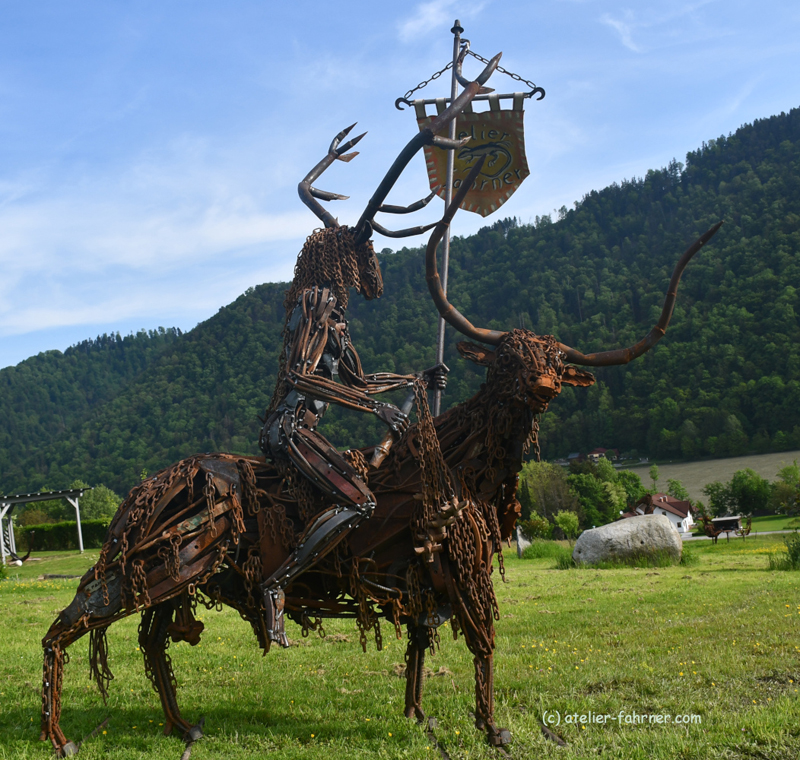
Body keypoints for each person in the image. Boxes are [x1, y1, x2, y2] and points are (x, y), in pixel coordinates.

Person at [258, 225, 446, 646]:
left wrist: (413, 378)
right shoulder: (315, 303)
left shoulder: (336, 318)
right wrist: (373, 408)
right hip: (289, 430)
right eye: (359, 258)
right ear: (337, 258)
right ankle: (276, 584)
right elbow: (301, 377)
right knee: (360, 500)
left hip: (300, 432)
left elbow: (360, 382)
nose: (367, 270)